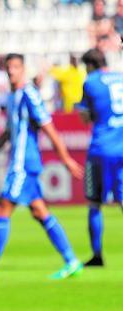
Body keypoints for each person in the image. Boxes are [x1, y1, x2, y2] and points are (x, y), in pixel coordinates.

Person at [0, 53, 84, 281]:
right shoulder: (12, 96)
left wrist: (65, 158)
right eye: (9, 67)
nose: (12, 71)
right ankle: (72, 261)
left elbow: (48, 127)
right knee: (40, 212)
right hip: (20, 163)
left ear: (23, 69)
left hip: (23, 164)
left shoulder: (29, 93)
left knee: (2, 207)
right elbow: (9, 132)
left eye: (16, 67)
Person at [75, 48, 123, 267]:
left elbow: (87, 117)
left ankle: (97, 255)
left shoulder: (91, 82)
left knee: (95, 202)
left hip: (101, 149)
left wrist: (81, 110)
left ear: (90, 65)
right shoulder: (120, 78)